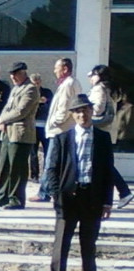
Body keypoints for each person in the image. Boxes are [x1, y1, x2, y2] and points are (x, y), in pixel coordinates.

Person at [46, 94, 113, 271]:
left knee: (89, 243)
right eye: (77, 111)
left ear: (92, 111)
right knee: (62, 243)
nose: (82, 114)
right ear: (72, 115)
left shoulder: (102, 138)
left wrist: (107, 201)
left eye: (85, 109)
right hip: (68, 197)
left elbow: (108, 171)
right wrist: (56, 195)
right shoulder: (62, 138)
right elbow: (52, 169)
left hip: (92, 197)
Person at [30, 58, 81, 203]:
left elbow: (64, 108)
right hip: (63, 129)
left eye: (56, 68)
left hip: (60, 129)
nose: (54, 71)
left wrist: (53, 122)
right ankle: (52, 190)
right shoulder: (69, 83)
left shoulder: (68, 84)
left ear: (65, 69)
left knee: (51, 163)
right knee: (59, 162)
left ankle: (45, 192)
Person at [87, 64, 133, 210]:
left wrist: (87, 109)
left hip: (97, 129)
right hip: (106, 130)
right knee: (104, 163)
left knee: (103, 164)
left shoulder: (99, 89)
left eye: (93, 75)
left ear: (99, 76)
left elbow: (98, 108)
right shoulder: (110, 89)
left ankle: (124, 191)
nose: (90, 78)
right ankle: (123, 191)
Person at [0, 62, 40, 209]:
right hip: (7, 132)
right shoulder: (15, 89)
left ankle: (16, 199)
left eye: (15, 73)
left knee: (17, 168)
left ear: (23, 73)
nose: (12, 77)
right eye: (11, 74)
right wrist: (0, 120)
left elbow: (21, 111)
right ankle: (1, 197)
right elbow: (7, 108)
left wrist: (2, 119)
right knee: (4, 166)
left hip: (21, 134)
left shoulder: (31, 89)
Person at [29, 73, 53, 181]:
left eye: (38, 82)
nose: (36, 84)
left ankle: (46, 173)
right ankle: (34, 175)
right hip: (32, 126)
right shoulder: (28, 93)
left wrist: (45, 102)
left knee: (47, 151)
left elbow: (51, 107)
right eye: (34, 83)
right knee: (33, 153)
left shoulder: (47, 92)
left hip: (44, 125)